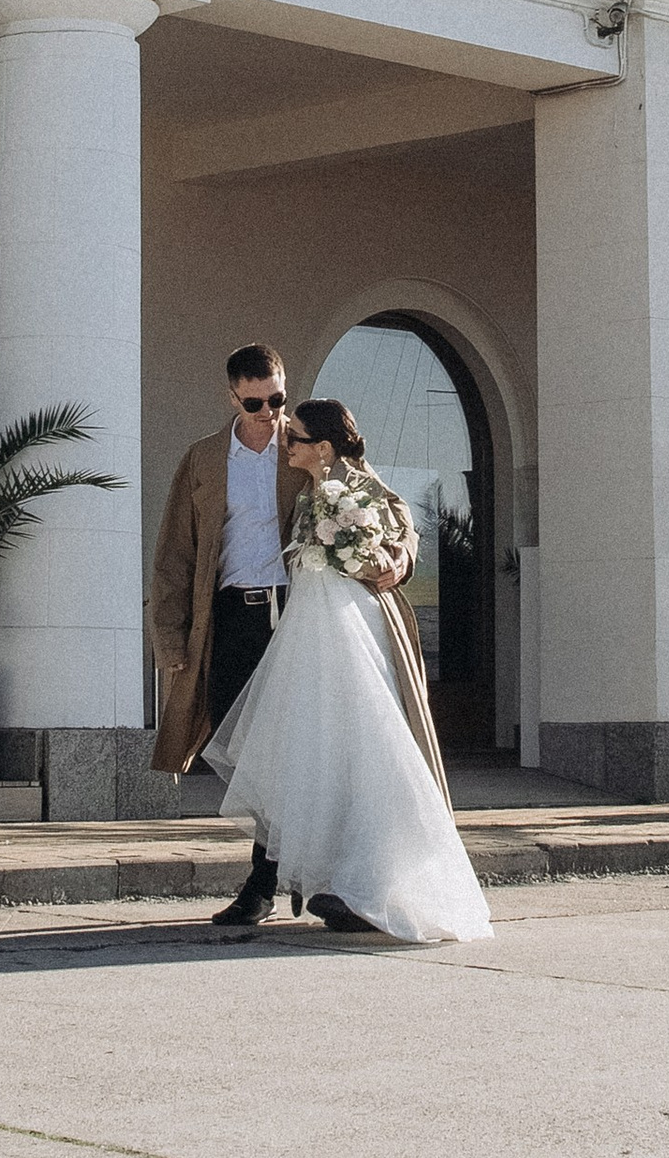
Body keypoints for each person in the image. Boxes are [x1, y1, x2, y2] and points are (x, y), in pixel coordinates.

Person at [203, 397, 492, 946]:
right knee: (317, 753)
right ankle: (329, 880)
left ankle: (376, 884)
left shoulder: (359, 488)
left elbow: (398, 525)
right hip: (308, 632)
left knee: (368, 745)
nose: (287, 443)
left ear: (325, 447)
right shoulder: (310, 487)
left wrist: (394, 560)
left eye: (297, 437)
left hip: (347, 629)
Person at [148, 343, 307, 929]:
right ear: (232, 397)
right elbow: (173, 555)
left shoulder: (307, 446)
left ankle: (263, 882)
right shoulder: (205, 459)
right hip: (230, 619)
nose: (269, 411)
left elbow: (378, 507)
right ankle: (283, 864)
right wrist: (171, 641)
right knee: (236, 747)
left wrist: (398, 556)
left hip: (296, 616)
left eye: (278, 398)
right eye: (255, 401)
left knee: (288, 748)